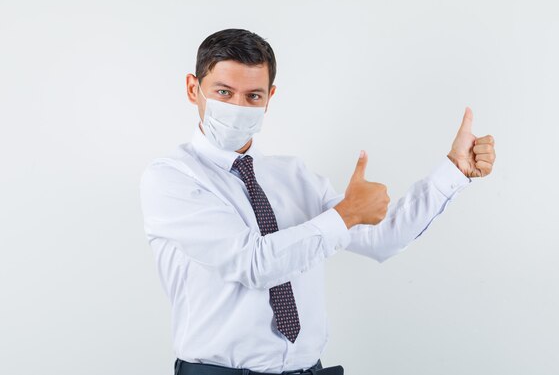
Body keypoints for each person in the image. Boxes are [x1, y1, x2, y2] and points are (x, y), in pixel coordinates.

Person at [139, 28, 496, 375]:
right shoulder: (173, 178)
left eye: (253, 96)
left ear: (270, 97)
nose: (238, 106)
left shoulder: (293, 176)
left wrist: (454, 170)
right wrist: (345, 216)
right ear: (193, 89)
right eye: (223, 92)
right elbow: (253, 263)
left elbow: (384, 238)